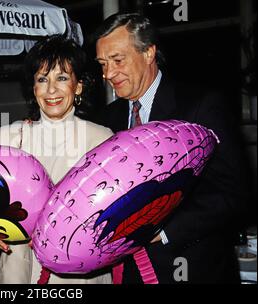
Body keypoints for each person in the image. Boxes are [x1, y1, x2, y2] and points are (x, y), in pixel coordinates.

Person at [92, 12, 248, 284]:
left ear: (149, 52)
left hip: (195, 268)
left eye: (117, 60)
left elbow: (233, 193)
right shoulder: (106, 120)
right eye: (103, 64)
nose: (108, 74)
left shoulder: (201, 105)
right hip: (128, 274)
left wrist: (163, 230)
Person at [0, 34, 114, 284]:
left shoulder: (102, 140)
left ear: (78, 86)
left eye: (62, 78)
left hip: (79, 275)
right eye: (42, 79)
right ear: (33, 88)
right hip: (19, 269)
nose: (51, 89)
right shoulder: (4, 139)